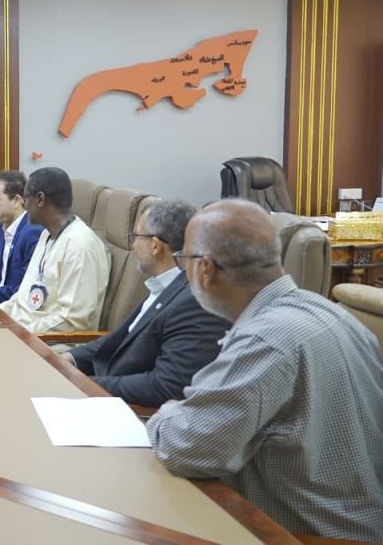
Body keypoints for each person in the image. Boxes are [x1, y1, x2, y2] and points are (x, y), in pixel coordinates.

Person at [147, 199, 383, 541]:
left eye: (185, 260)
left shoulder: (264, 341)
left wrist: (168, 413)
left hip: (307, 536)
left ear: (205, 269)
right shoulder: (334, 313)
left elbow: (184, 448)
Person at [62, 198, 230, 407]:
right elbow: (120, 338)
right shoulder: (165, 286)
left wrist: (84, 384)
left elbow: (165, 386)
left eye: (135, 237)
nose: (132, 246)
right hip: (103, 390)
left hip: (122, 408)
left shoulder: (193, 302)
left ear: (155, 245)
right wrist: (69, 359)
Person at [0, 167, 110, 333]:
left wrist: (22, 333)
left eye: (26, 198)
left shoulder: (80, 246)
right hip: (23, 331)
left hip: (51, 342)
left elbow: (72, 321)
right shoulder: (47, 235)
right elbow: (23, 296)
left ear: (40, 199)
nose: (24, 205)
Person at [0, 170, 43, 304]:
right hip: (0, 304)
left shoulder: (32, 233)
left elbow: (23, 290)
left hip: (16, 309)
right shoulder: (4, 225)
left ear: (16, 200)